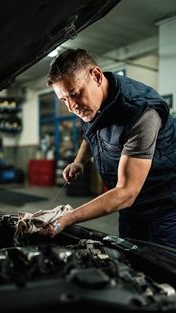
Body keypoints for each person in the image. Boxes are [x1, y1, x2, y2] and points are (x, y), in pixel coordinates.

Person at [41, 48, 176, 248]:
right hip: (130, 210)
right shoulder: (90, 104)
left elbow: (126, 192)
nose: (71, 107)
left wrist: (66, 219)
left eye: (74, 94)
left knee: (162, 269)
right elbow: (91, 133)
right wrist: (79, 162)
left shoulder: (141, 114)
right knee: (131, 264)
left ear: (96, 76)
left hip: (165, 210)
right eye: (63, 100)